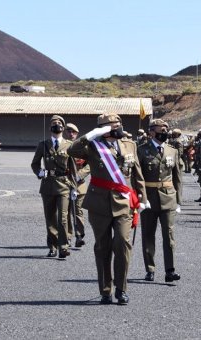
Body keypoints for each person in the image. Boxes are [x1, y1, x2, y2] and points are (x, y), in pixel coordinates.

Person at [68, 112, 147, 305]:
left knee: (122, 243)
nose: (117, 127)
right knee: (102, 247)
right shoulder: (93, 145)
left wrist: (142, 198)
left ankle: (121, 289)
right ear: (103, 129)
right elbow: (72, 150)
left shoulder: (130, 145)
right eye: (112, 125)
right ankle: (105, 290)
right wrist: (91, 134)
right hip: (99, 203)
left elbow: (137, 173)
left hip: (124, 203)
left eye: (118, 123)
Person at [137, 119, 183, 283]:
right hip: (149, 198)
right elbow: (138, 177)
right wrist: (139, 199)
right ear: (151, 132)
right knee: (148, 235)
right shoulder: (141, 151)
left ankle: (170, 270)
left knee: (169, 235)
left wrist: (178, 201)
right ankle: (150, 269)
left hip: (168, 197)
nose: (164, 132)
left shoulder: (172, 150)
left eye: (165, 129)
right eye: (160, 130)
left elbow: (177, 177)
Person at [30, 115, 77, 258]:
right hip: (48, 184)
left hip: (63, 184)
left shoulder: (69, 145)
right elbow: (35, 163)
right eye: (53, 123)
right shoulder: (43, 145)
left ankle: (63, 246)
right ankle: (52, 246)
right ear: (50, 127)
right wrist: (40, 172)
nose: (56, 125)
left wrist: (74, 188)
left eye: (59, 123)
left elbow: (73, 168)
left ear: (63, 127)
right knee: (50, 217)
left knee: (63, 217)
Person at [65, 123, 88, 247]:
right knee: (66, 211)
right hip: (65, 183)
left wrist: (80, 175)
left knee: (77, 210)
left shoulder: (83, 147)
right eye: (69, 132)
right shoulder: (63, 146)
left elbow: (89, 164)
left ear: (77, 134)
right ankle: (67, 237)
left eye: (73, 132)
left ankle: (79, 235)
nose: (71, 134)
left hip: (79, 184)